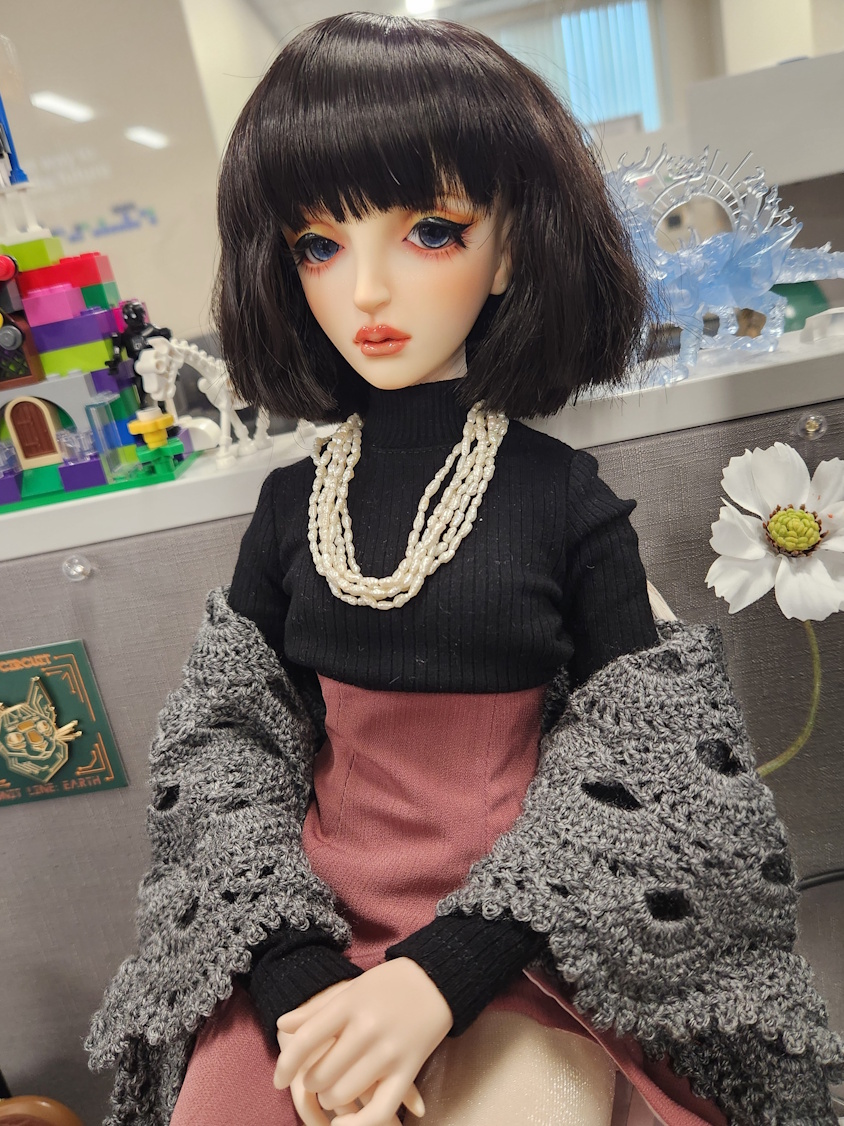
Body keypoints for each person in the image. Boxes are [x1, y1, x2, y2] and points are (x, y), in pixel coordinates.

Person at [87, 14, 844, 1126]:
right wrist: (291, 967)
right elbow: (224, 745)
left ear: (513, 249)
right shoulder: (291, 509)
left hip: (521, 931)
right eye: (318, 245)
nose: (367, 290)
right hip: (309, 927)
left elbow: (651, 759)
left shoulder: (561, 500)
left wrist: (450, 967)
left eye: (430, 232)